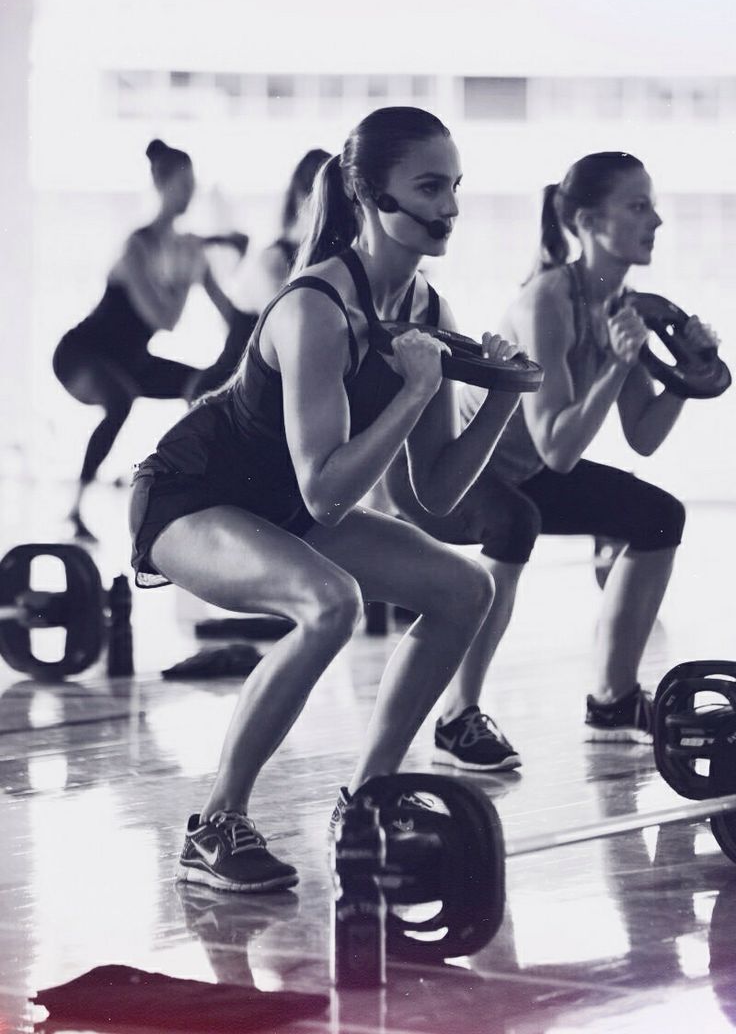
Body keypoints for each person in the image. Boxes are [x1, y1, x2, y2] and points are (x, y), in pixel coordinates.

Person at [128, 106, 522, 893]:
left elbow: (431, 496)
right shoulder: (314, 309)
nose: (450, 208)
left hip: (288, 505)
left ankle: (370, 800)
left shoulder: (427, 310)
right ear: (372, 194)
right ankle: (216, 826)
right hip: (190, 496)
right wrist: (417, 388)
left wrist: (503, 399)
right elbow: (327, 488)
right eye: (430, 187)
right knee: (330, 601)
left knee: (462, 588)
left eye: (455, 187)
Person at [386, 151, 719, 772]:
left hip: (528, 472)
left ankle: (614, 702)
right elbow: (559, 449)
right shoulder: (549, 301)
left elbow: (642, 435)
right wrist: (620, 362)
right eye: (638, 206)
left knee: (658, 517)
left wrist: (685, 378)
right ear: (590, 222)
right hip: (454, 476)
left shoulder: (622, 305)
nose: (657, 221)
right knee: (515, 521)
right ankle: (457, 718)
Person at [53, 139, 239, 541]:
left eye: (194, 182)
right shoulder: (137, 245)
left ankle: (197, 493)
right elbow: (165, 318)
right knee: (121, 399)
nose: (189, 191)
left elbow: (230, 314)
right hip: (81, 355)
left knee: (203, 386)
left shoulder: (191, 248)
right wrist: (193, 267)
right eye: (183, 182)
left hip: (133, 360)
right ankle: (75, 509)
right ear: (163, 184)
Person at [188, 148, 330, 400]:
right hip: (227, 395)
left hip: (261, 393)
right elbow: (289, 339)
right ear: (302, 199)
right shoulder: (272, 260)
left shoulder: (326, 260)